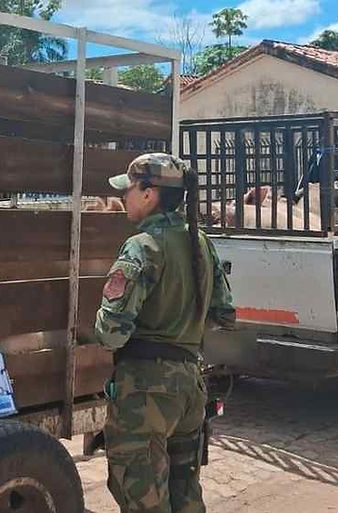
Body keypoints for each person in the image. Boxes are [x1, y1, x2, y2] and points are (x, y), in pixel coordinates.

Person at [93, 153, 236, 513]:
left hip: (146, 392)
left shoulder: (143, 247)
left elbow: (111, 331)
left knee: (142, 497)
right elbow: (224, 313)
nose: (124, 197)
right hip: (189, 387)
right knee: (185, 494)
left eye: (129, 189)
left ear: (149, 193)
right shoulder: (199, 242)